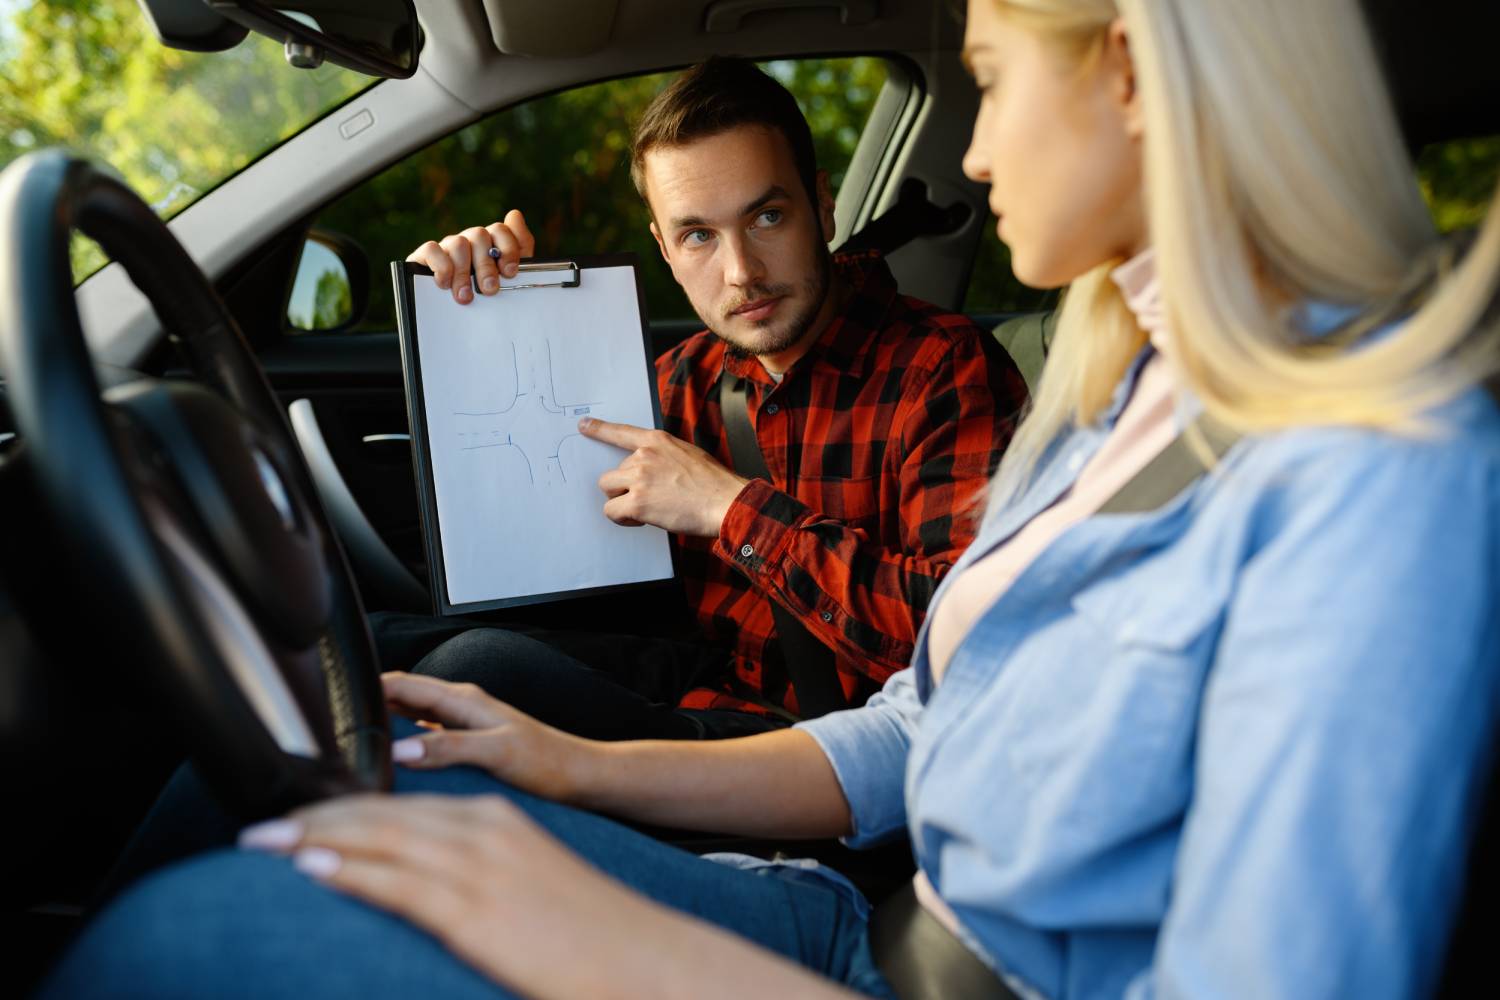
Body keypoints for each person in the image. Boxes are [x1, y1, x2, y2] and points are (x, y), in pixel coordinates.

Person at [41, 0, 1500, 997]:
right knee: (410, 708)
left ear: (1129, 67)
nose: (977, 149)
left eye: (987, 78)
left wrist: (623, 941)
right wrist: (560, 761)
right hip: (851, 893)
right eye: (695, 238)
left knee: (210, 931)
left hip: (888, 933)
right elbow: (923, 725)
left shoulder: (1379, 476)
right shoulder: (1114, 387)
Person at [377, 56, 1024, 741]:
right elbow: (519, 555)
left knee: (472, 668)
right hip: (707, 688)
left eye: (768, 216)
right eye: (698, 236)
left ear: (823, 207)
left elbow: (962, 635)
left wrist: (728, 507)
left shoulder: (943, 367)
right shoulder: (677, 381)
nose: (741, 272)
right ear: (663, 248)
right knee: (379, 645)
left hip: (837, 750)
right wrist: (468, 312)